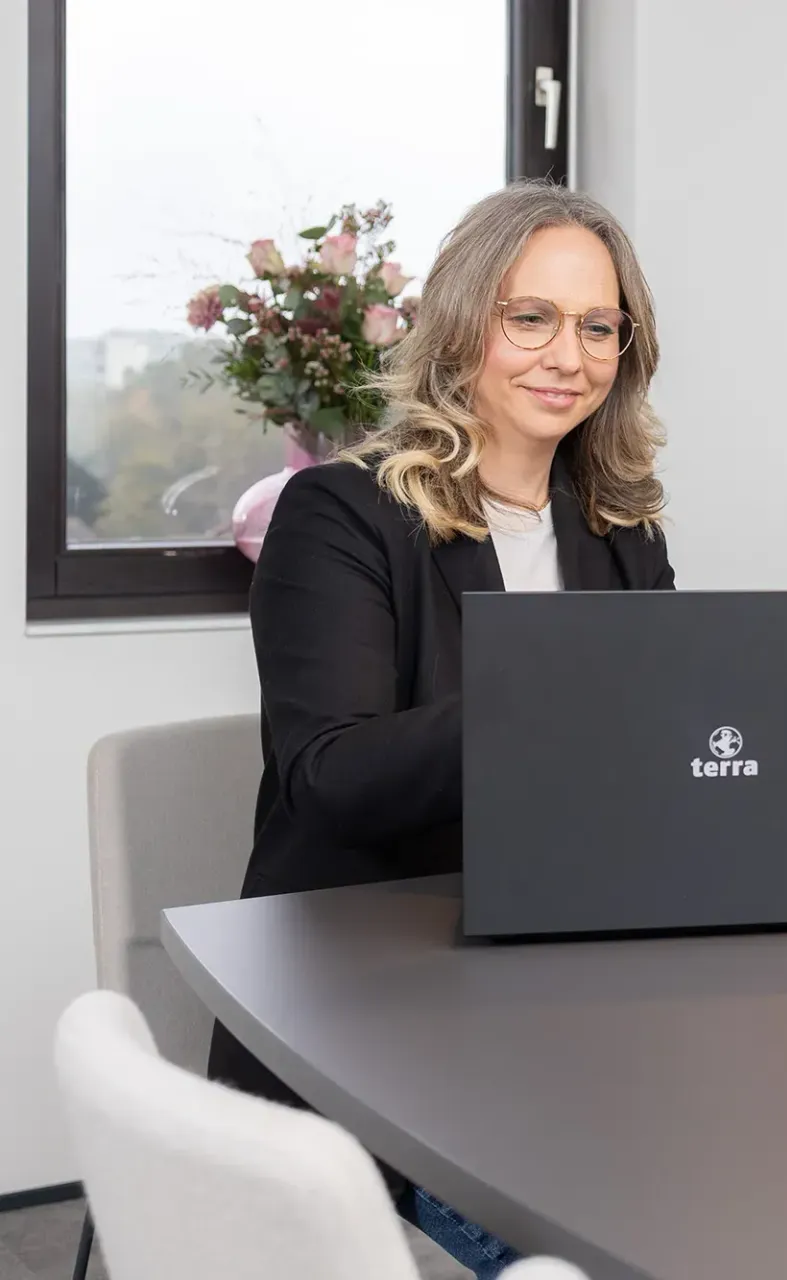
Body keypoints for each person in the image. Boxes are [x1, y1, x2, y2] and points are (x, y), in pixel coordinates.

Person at [206, 180, 674, 1276]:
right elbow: (329, 775)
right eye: (533, 318)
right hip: (368, 1013)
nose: (570, 353)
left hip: (556, 994)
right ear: (464, 324)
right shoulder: (340, 514)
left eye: (599, 325)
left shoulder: (619, 531)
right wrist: (560, 702)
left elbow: (644, 763)